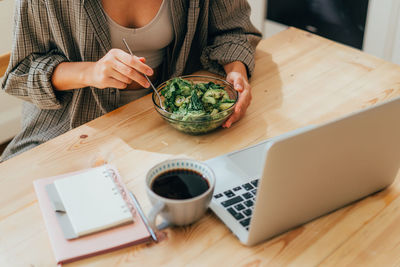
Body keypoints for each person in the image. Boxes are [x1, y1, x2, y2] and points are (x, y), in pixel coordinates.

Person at [1, 0, 261, 161]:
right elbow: (21, 74)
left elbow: (233, 29)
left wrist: (236, 72)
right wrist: (90, 72)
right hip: (73, 126)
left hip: (167, 124)